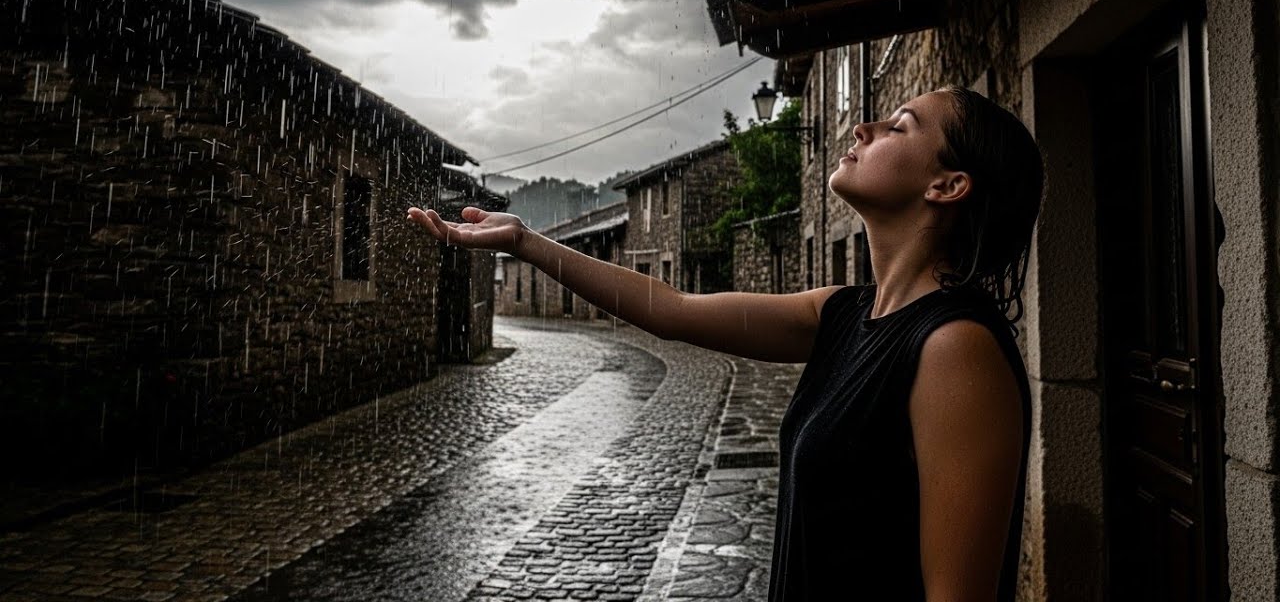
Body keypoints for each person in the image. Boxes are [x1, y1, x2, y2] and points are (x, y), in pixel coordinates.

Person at [407, 84, 1043, 602]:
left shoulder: (956, 348)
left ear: (947, 185)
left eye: (900, 126)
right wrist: (524, 241)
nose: (863, 129)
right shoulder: (842, 313)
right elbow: (674, 309)